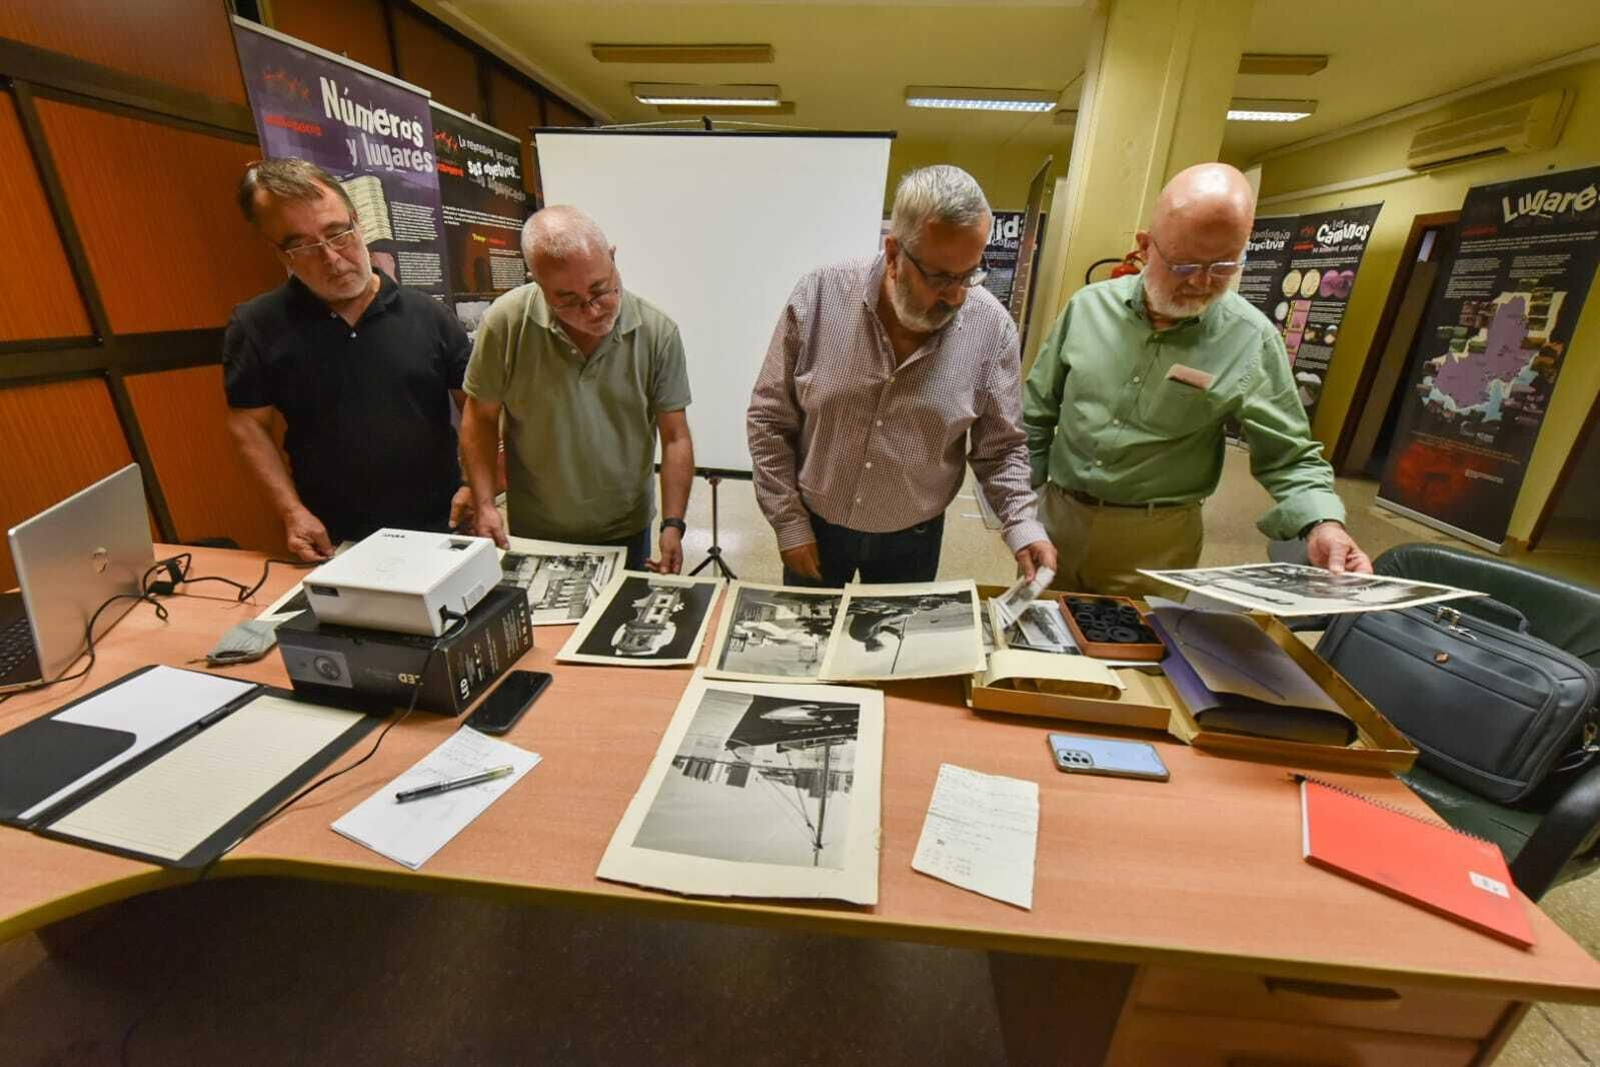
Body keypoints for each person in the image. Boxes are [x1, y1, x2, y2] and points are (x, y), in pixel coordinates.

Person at [1022, 162, 1372, 597]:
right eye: (1185, 265)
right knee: (1033, 639)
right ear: (1146, 247)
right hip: (1057, 516)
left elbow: (1291, 455)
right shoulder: (1087, 308)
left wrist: (1324, 523)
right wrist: (1020, 508)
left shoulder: (1250, 338)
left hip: (1155, 539)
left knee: (1135, 656)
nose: (1203, 283)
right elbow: (1035, 414)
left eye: (1225, 265)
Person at [747, 165, 1055, 587]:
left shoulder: (992, 328)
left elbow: (1000, 450)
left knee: (893, 653)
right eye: (942, 277)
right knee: (807, 648)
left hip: (914, 539)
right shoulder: (819, 296)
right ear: (893, 254)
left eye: (969, 274)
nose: (957, 295)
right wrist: (788, 522)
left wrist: (1022, 525)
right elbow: (769, 420)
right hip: (814, 527)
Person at [224, 159, 473, 561]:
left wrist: (475, 482)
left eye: (337, 234)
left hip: (441, 522)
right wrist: (292, 512)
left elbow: (476, 405)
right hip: (335, 538)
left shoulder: (428, 313)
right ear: (278, 251)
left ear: (358, 222)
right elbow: (248, 424)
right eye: (303, 246)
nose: (332, 258)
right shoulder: (256, 325)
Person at [460, 207, 693, 573]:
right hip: (535, 525)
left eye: (601, 289)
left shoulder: (656, 332)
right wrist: (485, 502)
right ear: (536, 281)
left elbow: (675, 435)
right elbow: (480, 416)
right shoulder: (505, 324)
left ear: (612, 257)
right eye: (567, 300)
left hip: (624, 525)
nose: (592, 309)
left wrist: (673, 523)